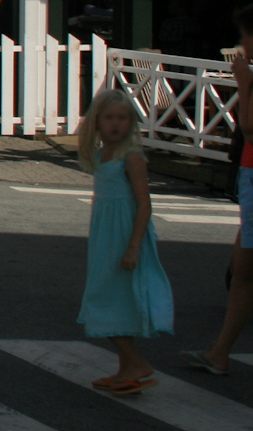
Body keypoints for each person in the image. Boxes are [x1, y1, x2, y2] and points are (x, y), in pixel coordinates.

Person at [185, 2, 253, 376]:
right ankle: (219, 352)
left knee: (245, 271)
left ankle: (219, 353)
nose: (244, 41)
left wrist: (244, 82)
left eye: (251, 33)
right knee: (243, 270)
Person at [75, 86, 172, 394]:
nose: (115, 124)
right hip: (105, 237)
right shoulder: (102, 155)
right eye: (109, 117)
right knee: (109, 297)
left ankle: (136, 362)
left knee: (102, 298)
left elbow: (144, 205)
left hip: (124, 237)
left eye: (122, 118)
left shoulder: (131, 157)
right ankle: (126, 366)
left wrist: (133, 247)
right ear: (97, 122)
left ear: (131, 123)